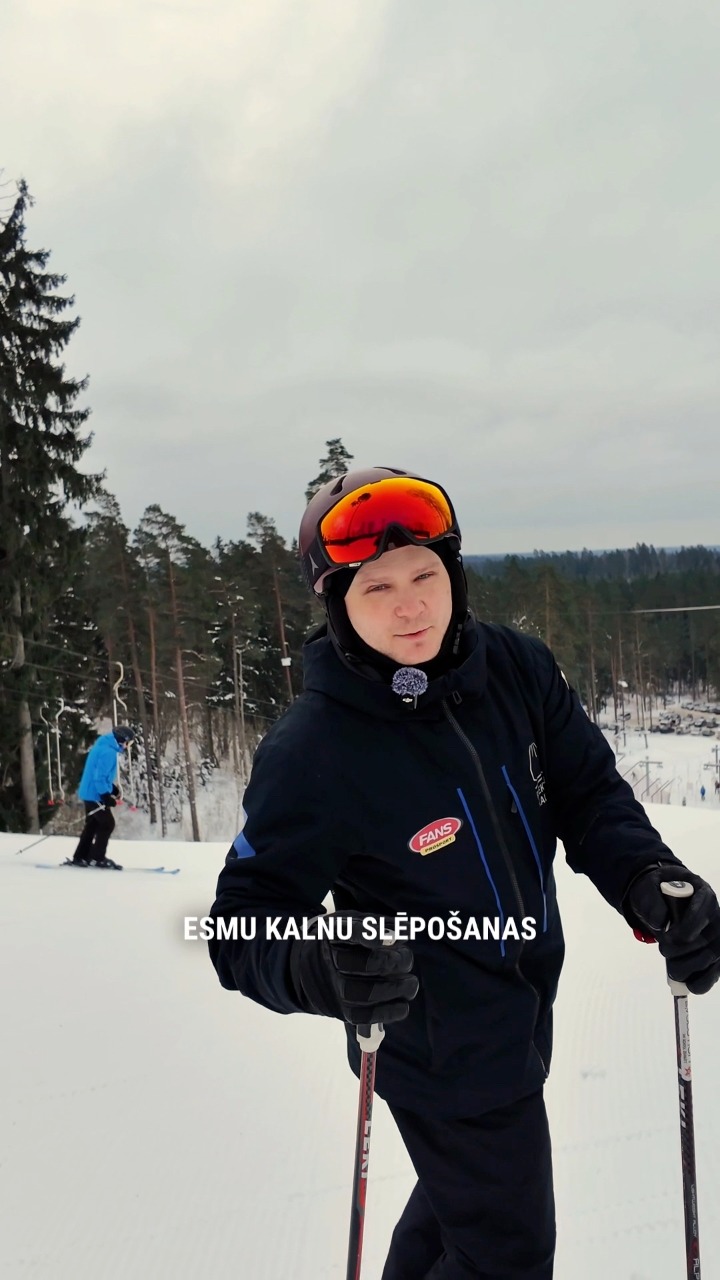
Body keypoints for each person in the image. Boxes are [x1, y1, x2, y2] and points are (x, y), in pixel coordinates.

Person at [208, 467, 720, 1280]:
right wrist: (319, 964)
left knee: (461, 1221)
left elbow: (588, 796)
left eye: (425, 575)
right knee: (507, 1254)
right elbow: (242, 924)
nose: (410, 606)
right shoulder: (316, 749)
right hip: (435, 1048)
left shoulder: (515, 668)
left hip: (522, 1013)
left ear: (454, 572)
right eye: (377, 587)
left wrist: (648, 877)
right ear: (338, 603)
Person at [70, 725, 135, 870]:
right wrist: (106, 795)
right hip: (95, 794)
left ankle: (81, 856)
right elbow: (99, 778)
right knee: (107, 824)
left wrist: (112, 789)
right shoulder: (108, 753)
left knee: (92, 825)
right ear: (121, 740)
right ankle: (97, 858)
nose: (127, 746)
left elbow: (100, 775)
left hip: (89, 792)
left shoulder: (103, 746)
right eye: (128, 743)